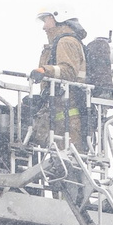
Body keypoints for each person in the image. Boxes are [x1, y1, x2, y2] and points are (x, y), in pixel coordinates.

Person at [31, 9, 89, 143]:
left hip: (69, 122)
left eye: (46, 21)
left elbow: (68, 71)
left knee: (68, 155)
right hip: (62, 119)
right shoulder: (61, 42)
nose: (44, 27)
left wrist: (44, 70)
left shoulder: (66, 41)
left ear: (57, 18)